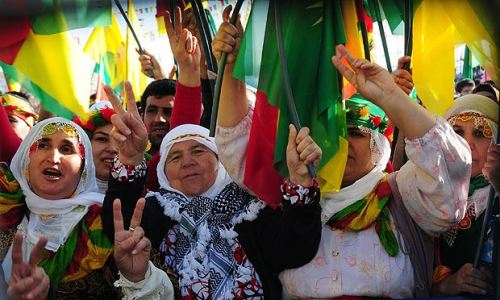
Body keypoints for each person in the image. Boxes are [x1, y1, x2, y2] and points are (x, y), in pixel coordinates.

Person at [212, 6, 472, 297]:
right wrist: (233, 69)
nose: (341, 143)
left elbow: (449, 173)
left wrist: (391, 98)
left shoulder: (405, 195)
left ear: (380, 144)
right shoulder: (294, 197)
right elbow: (243, 151)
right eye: (330, 133)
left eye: (355, 132)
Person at [101, 73, 324, 298]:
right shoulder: (155, 211)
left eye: (199, 151)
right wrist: (130, 159)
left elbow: (295, 249)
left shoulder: (251, 210)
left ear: (221, 160)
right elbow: (120, 228)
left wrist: (300, 181)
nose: (188, 161)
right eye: (175, 157)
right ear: (162, 173)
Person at [0, 117, 120, 298]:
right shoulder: (6, 207)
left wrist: (137, 277)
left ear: (83, 169)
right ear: (26, 159)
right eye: (43, 145)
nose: (54, 157)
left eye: (66, 149)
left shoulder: (102, 224)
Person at [432, 94, 498, 296]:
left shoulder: (496, 196)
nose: (467, 144)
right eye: (457, 133)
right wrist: (445, 285)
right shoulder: (426, 191)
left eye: (479, 133)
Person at [74, 101, 119, 193]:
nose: (112, 149)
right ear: (84, 144)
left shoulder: (142, 196)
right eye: (102, 139)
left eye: (119, 141)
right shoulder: (61, 193)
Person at [140, 79, 176, 155]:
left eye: (168, 112)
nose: (159, 119)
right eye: (152, 111)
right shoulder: (126, 160)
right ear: (142, 118)